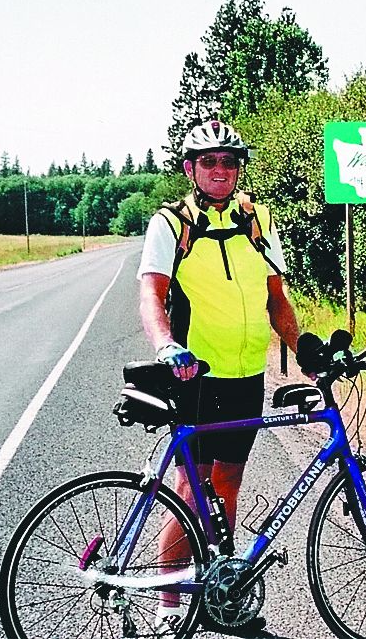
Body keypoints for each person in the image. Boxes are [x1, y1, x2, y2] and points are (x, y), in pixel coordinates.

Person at [138, 120, 300, 633]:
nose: (221, 170)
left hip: (247, 374)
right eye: (209, 161)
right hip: (196, 377)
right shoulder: (171, 224)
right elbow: (151, 293)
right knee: (190, 490)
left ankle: (215, 595)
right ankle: (168, 605)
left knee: (226, 484)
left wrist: (305, 350)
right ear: (190, 169)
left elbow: (276, 297)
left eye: (229, 160)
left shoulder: (258, 219)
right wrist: (167, 345)